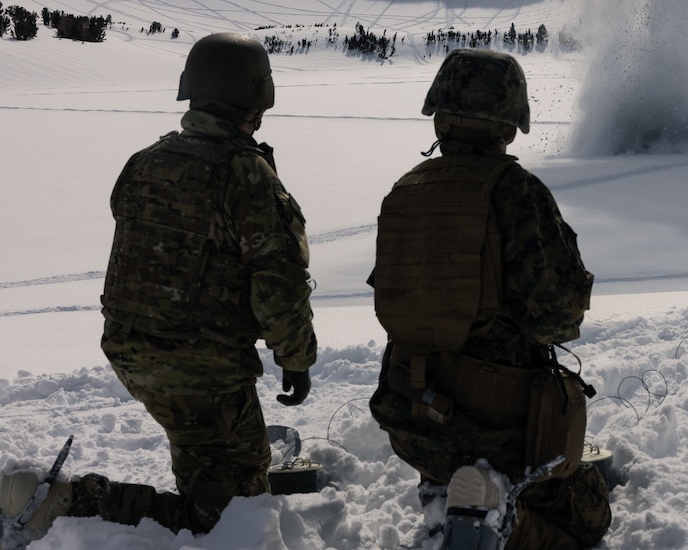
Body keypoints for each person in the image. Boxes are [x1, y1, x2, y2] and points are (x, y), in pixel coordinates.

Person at [3, 33, 318, 542]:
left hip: (132, 351)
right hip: (199, 370)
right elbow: (278, 282)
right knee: (231, 516)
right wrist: (296, 357)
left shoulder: (146, 159)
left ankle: (211, 467)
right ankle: (64, 503)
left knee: (208, 449)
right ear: (257, 97)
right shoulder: (245, 172)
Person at [368, 48, 612, 549]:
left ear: (439, 117)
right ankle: (497, 521)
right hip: (500, 428)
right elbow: (557, 319)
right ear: (508, 125)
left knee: (453, 463)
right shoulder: (517, 192)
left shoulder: (405, 190)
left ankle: (448, 493)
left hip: (411, 416)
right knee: (590, 520)